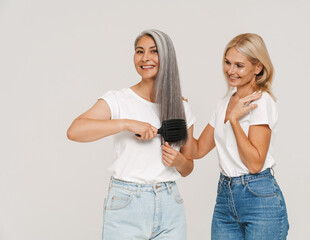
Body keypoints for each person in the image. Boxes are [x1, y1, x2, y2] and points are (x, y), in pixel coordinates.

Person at [67, 29, 195, 240]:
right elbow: (75, 131)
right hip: (126, 203)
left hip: (170, 204)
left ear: (167, 57)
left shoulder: (180, 106)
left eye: (154, 51)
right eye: (139, 51)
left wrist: (179, 160)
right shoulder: (118, 100)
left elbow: (188, 167)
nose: (145, 58)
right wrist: (126, 124)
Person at [192, 33, 289, 239]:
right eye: (227, 63)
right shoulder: (223, 104)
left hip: (259, 197)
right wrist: (181, 115)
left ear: (258, 67)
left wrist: (235, 121)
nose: (230, 70)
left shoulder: (262, 103)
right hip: (225, 197)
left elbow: (254, 164)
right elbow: (198, 150)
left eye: (239, 65)